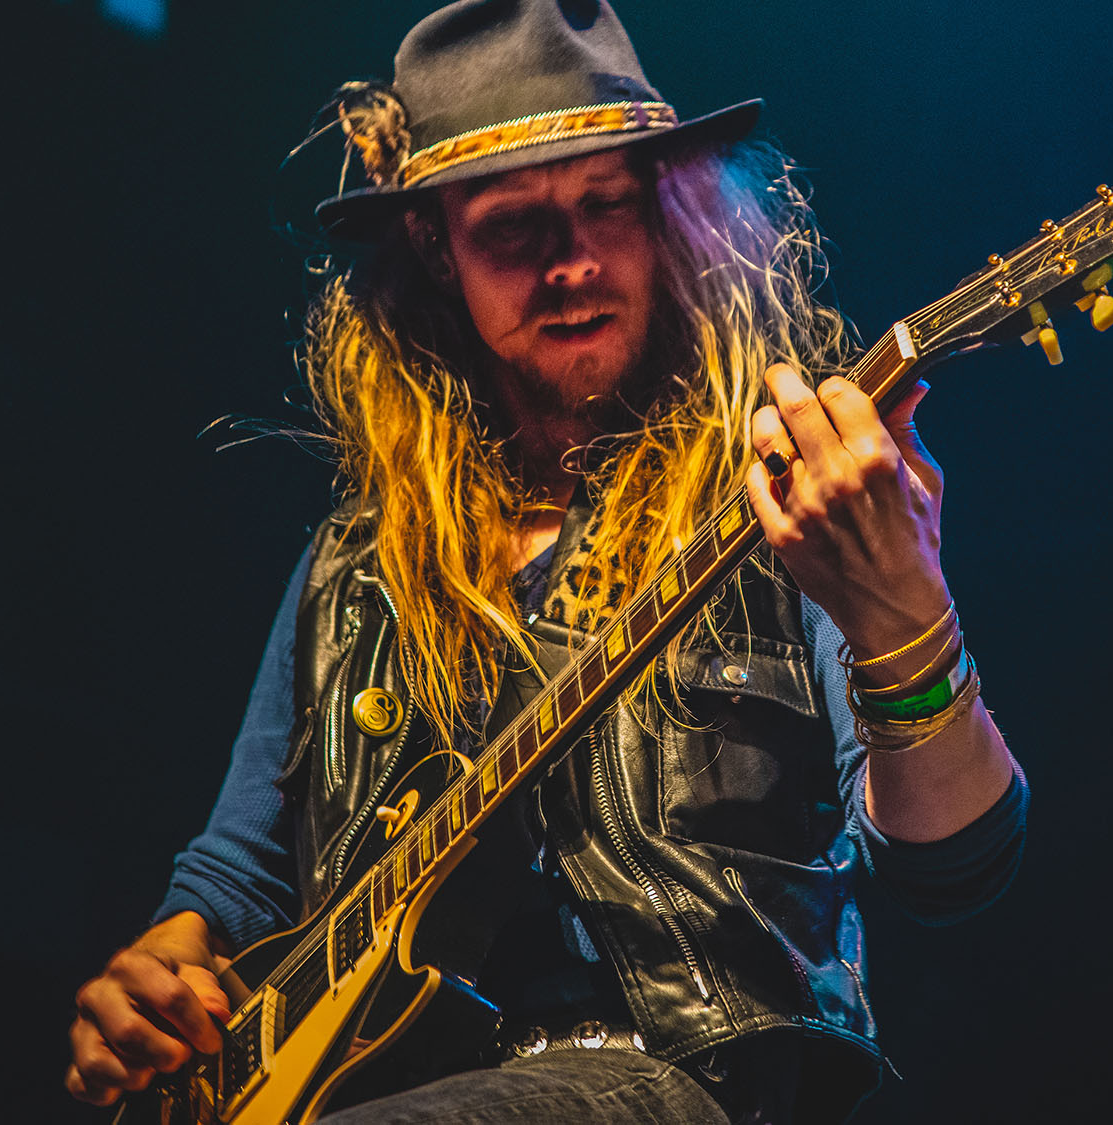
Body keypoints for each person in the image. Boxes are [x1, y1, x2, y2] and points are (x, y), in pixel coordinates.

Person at [66, 3, 1028, 1122]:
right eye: (514, 229)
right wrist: (157, 977)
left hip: (682, 1078)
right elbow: (234, 880)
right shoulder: (361, 562)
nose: (572, 263)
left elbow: (955, 864)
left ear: (664, 215)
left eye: (605, 206)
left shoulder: (774, 491)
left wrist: (906, 614)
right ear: (435, 247)